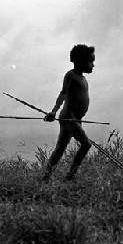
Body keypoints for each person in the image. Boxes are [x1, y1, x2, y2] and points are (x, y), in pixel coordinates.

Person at [42, 44, 95, 181]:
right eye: (90, 61)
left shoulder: (83, 79)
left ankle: (45, 177)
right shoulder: (71, 76)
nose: (92, 65)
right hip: (68, 117)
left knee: (60, 148)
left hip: (75, 118)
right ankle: (70, 176)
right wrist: (54, 111)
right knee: (86, 144)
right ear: (79, 60)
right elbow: (63, 94)